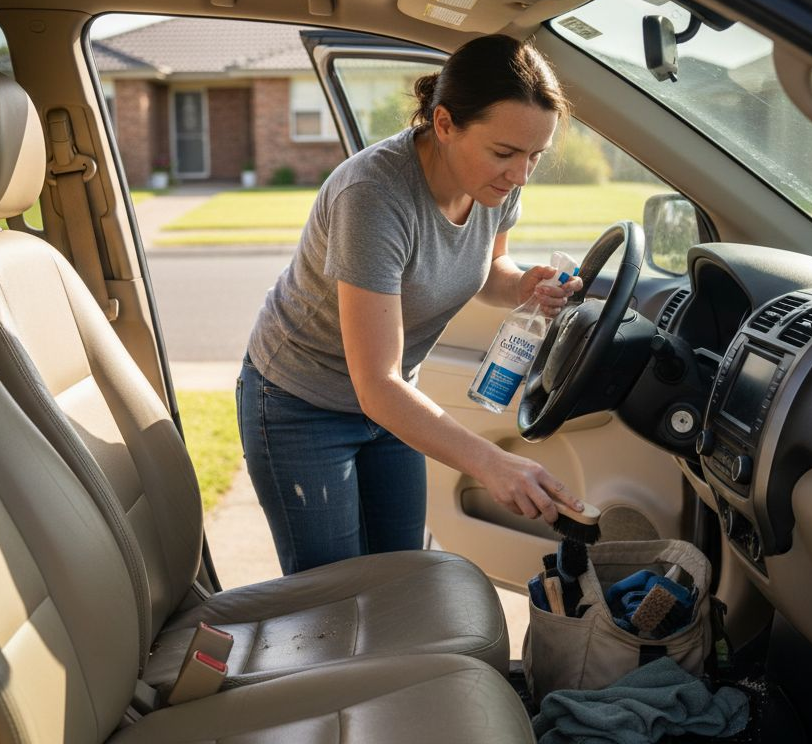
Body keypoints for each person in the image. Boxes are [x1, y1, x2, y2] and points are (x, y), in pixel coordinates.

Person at [238, 34, 586, 575]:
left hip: (393, 402)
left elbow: (487, 270)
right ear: (444, 124)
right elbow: (375, 382)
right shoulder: (373, 197)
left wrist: (523, 286)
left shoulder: (496, 186)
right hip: (301, 404)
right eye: (504, 153)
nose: (520, 175)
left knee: (401, 575)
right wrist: (492, 464)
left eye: (534, 157)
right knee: (333, 594)